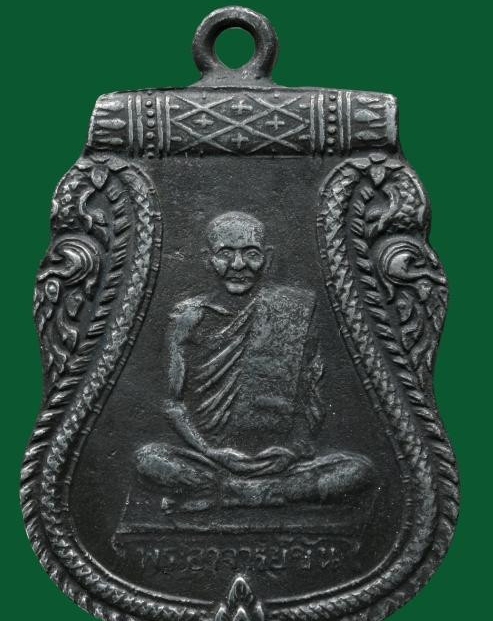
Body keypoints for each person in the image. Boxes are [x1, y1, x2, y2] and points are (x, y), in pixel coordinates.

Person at [134, 211, 373, 512]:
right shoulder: (187, 317)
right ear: (208, 260)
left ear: (267, 258)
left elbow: (311, 398)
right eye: (225, 254)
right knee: (148, 459)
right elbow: (173, 403)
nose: (238, 265)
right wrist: (212, 451)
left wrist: (292, 450)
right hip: (209, 458)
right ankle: (268, 494)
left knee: (358, 471)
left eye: (251, 254)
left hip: (280, 462)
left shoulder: (292, 310)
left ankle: (228, 493)